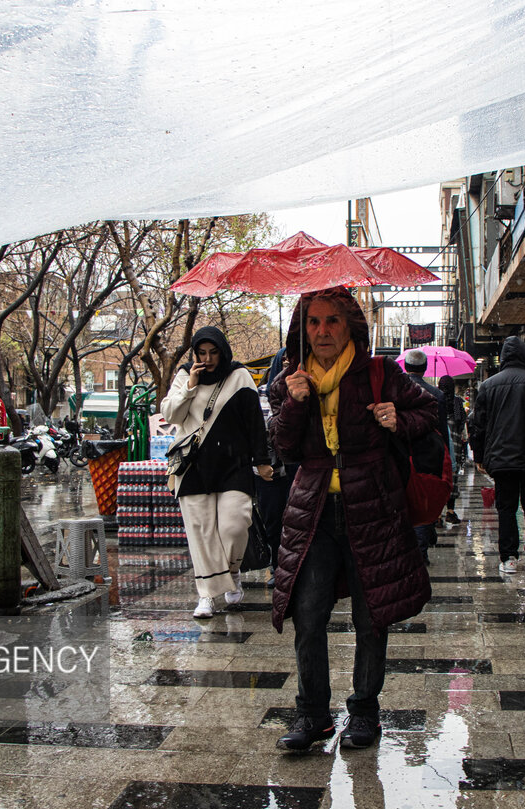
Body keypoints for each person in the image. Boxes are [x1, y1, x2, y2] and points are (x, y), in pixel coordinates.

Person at [269, 287, 436, 752]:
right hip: (313, 512)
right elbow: (283, 448)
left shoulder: (380, 373)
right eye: (314, 322)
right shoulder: (290, 378)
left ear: (351, 327)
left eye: (333, 321)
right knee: (308, 615)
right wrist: (295, 402)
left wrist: (397, 419)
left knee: (370, 617)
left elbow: (429, 409)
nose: (323, 331)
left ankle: (364, 712)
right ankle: (313, 715)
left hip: (374, 510)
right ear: (303, 329)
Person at [160, 326, 272, 619]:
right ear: (195, 353)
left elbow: (254, 422)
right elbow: (171, 415)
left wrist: (262, 460)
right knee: (201, 533)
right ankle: (207, 595)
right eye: (202, 353)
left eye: (213, 352)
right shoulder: (186, 376)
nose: (208, 359)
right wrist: (191, 387)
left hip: (234, 465)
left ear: (223, 351)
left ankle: (231, 571)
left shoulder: (239, 376)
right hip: (194, 468)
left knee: (235, 525)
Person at [468, 336, 525, 573]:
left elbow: (479, 425)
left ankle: (508, 557)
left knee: (506, 506)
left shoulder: (488, 385)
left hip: (501, 457)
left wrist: (479, 456)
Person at [401, 348, 449, 561]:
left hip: (403, 451)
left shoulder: (397, 392)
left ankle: (411, 549)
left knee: (405, 498)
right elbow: (442, 430)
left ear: (406, 367)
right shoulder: (437, 394)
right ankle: (420, 550)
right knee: (424, 497)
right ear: (425, 368)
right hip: (429, 453)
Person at [256, 346, 296, 589]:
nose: (286, 366)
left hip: (297, 469)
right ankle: (276, 567)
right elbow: (257, 429)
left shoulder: (304, 391)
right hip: (269, 470)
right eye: (283, 362)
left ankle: (294, 569)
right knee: (273, 521)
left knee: (297, 521)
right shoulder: (261, 393)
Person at [438, 374, 466, 524]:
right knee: (452, 475)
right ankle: (450, 511)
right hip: (454, 441)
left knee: (438, 474)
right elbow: (462, 422)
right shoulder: (457, 402)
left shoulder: (436, 400)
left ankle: (437, 514)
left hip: (439, 440)